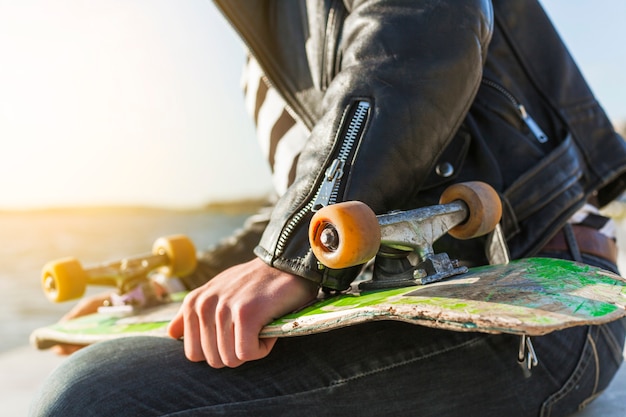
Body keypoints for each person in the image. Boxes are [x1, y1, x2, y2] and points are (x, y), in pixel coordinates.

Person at [30, 1, 626, 416]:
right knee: (114, 370)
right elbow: (298, 203)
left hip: (540, 298)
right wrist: (172, 284)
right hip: (400, 302)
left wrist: (293, 253)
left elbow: (423, 26)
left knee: (99, 400)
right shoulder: (261, 50)